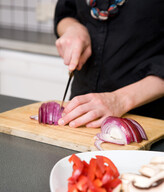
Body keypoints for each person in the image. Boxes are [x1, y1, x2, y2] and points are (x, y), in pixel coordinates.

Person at [54, 0, 164, 128]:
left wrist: (119, 100)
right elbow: (66, 13)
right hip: (80, 114)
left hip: (149, 121)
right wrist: (73, 28)